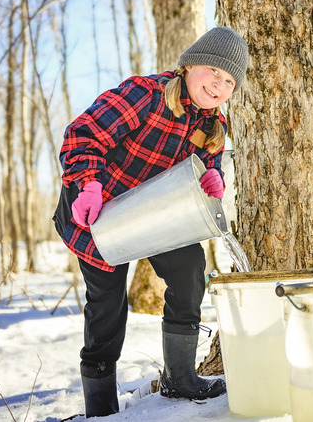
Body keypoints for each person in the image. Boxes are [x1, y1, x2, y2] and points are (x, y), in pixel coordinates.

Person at [52, 26, 248, 418]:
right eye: (213, 71)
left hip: (156, 215)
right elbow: (83, 134)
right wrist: (88, 184)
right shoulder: (145, 94)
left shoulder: (213, 125)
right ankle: (101, 405)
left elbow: (209, 165)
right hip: (97, 209)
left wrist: (213, 180)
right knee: (107, 304)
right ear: (189, 64)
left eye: (229, 81)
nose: (219, 85)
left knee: (191, 268)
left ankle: (180, 378)